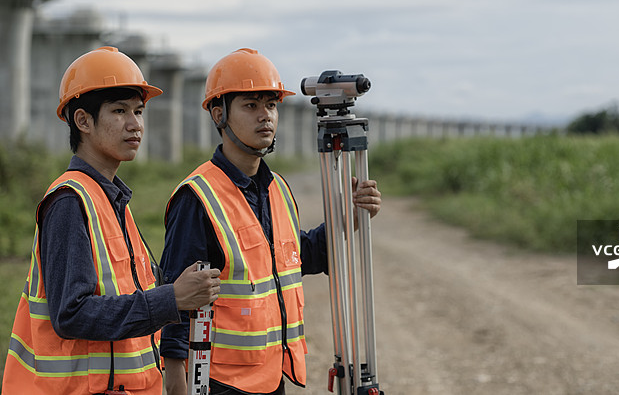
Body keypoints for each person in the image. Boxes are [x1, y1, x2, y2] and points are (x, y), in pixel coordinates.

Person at [159, 48, 382, 395]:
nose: (265, 116)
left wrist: (349, 218)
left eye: (271, 105)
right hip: (219, 382)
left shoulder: (277, 187)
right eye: (251, 105)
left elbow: (298, 258)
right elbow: (175, 293)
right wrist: (175, 377)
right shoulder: (197, 196)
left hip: (269, 376)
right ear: (219, 114)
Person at [1, 46, 221, 395]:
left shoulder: (113, 199)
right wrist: (170, 299)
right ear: (83, 121)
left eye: (138, 111)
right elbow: (71, 314)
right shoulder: (71, 201)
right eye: (119, 111)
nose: (135, 124)